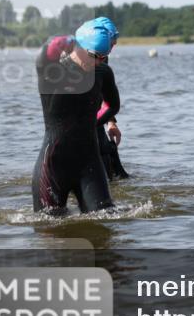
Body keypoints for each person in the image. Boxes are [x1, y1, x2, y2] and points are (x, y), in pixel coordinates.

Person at [32, 19, 116, 214]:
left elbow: (113, 106)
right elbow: (48, 47)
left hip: (89, 163)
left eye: (104, 57)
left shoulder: (102, 73)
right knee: (49, 230)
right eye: (95, 56)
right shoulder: (52, 70)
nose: (99, 62)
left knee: (107, 222)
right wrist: (74, 39)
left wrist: (91, 123)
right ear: (79, 47)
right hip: (53, 165)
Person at [92, 16, 129, 179]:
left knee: (111, 173)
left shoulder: (103, 57)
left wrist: (111, 122)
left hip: (96, 120)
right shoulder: (75, 57)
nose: (113, 46)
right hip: (77, 124)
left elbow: (104, 95)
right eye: (111, 42)